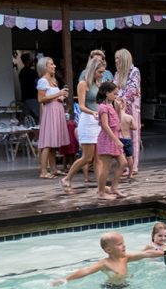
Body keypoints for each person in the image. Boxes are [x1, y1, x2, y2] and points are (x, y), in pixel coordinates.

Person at [51, 231, 160, 286]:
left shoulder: (125, 257)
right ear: (108, 249)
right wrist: (66, 279)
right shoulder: (105, 263)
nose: (124, 246)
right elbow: (86, 270)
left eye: (123, 243)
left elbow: (146, 254)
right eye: (119, 244)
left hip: (126, 285)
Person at [60, 58, 105, 193]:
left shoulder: (98, 84)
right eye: (100, 72)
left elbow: (99, 103)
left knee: (98, 158)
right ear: (93, 70)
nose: (101, 74)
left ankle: (101, 187)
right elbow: (81, 106)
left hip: (97, 121)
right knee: (87, 157)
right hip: (88, 121)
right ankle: (67, 178)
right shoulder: (83, 83)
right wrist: (93, 112)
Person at [36, 57, 70, 179]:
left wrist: (61, 97)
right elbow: (41, 99)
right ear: (45, 67)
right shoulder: (43, 81)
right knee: (47, 142)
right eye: (51, 64)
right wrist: (58, 94)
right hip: (50, 111)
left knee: (53, 142)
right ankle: (44, 171)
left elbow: (52, 96)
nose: (54, 66)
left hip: (57, 109)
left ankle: (54, 169)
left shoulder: (53, 80)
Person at [95, 81, 127, 200]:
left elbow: (117, 121)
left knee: (123, 163)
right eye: (114, 93)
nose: (116, 96)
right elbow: (105, 125)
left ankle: (114, 188)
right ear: (107, 93)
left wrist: (120, 108)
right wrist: (116, 140)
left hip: (114, 138)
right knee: (106, 167)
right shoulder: (103, 107)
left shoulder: (110, 105)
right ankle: (101, 192)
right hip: (107, 140)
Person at [114, 48, 142, 176]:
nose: (116, 61)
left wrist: (121, 99)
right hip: (119, 108)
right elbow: (114, 88)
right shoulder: (117, 74)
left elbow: (133, 88)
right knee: (121, 135)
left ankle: (133, 166)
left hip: (131, 108)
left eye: (118, 58)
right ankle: (125, 164)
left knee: (133, 136)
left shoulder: (134, 71)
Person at [117, 97, 135, 180]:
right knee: (129, 157)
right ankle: (130, 173)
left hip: (119, 139)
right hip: (127, 139)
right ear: (125, 106)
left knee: (121, 158)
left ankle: (121, 172)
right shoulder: (129, 117)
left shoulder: (116, 117)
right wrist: (128, 126)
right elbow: (135, 127)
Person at [18, 53, 39, 123]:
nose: (33, 60)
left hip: (25, 100)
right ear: (28, 61)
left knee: (28, 122)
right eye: (31, 59)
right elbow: (38, 84)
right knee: (38, 119)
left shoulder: (21, 72)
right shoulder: (32, 72)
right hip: (33, 99)